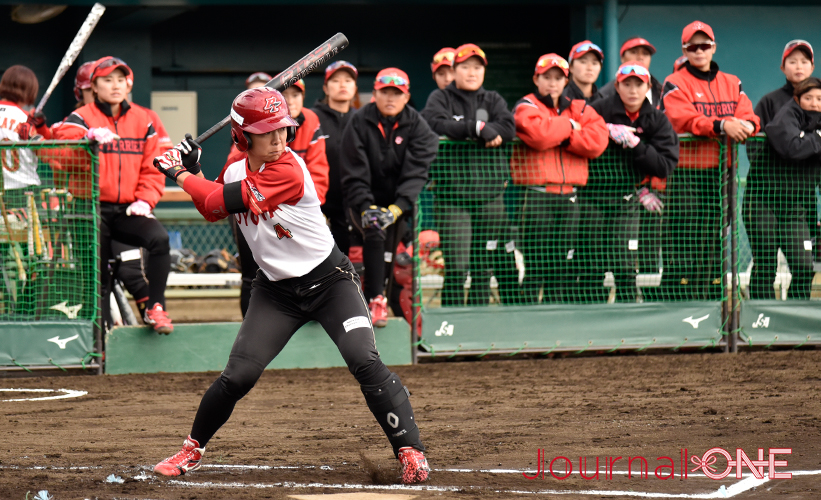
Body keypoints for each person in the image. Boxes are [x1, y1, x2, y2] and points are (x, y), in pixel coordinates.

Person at [151, 86, 430, 484]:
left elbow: (214, 203)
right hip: (276, 292)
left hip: (330, 282)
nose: (280, 139)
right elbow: (211, 201)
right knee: (237, 377)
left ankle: (410, 451)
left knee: (363, 359)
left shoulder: (289, 170)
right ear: (243, 136)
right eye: (268, 132)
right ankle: (190, 449)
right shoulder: (234, 171)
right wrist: (194, 172)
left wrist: (178, 172)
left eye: (283, 129)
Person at [53, 56, 173, 333]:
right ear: (94, 86)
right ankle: (100, 339)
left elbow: (154, 167)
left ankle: (156, 308)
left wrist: (145, 199)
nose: (116, 86)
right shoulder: (81, 118)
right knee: (99, 277)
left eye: (121, 80)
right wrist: (86, 142)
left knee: (159, 239)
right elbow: (56, 155)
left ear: (129, 83)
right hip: (90, 207)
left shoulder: (144, 119)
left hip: (128, 209)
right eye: (107, 80)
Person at [659, 20, 760, 301]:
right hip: (686, 172)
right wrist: (722, 125)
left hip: (720, 173)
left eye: (704, 45)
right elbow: (682, 118)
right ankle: (678, 304)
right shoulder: (674, 82)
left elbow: (749, 113)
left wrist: (749, 126)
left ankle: (710, 303)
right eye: (693, 46)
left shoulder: (732, 81)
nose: (699, 50)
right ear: (685, 49)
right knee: (683, 238)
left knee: (714, 238)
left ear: (713, 48)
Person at [223, 77, 330, 317]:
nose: (291, 100)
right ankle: (250, 326)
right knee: (253, 272)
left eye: (296, 95)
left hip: (291, 210)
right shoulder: (248, 128)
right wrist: (188, 174)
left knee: (302, 269)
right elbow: (234, 170)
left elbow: (318, 172)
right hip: (250, 203)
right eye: (287, 95)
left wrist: (310, 208)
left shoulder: (310, 121)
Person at [421, 43, 519, 306]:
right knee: (456, 267)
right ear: (454, 70)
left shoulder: (493, 99)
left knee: (483, 266)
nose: (472, 72)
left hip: (490, 196)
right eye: (465, 67)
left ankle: (479, 325)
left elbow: (509, 126)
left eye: (477, 67)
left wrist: (490, 129)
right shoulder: (440, 98)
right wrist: (475, 128)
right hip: (453, 197)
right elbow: (432, 122)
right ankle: (453, 327)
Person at [340, 68, 438, 326]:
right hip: (362, 199)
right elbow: (353, 170)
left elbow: (416, 173)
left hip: (398, 203)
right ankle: (375, 301)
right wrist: (366, 205)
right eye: (385, 92)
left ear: (406, 97)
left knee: (390, 255)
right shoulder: (359, 121)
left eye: (397, 93)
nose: (391, 98)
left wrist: (397, 208)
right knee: (374, 231)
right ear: (374, 94)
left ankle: (402, 318)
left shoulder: (419, 126)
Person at [510, 53, 608, 303]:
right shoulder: (526, 105)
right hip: (537, 196)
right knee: (535, 263)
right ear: (536, 79)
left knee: (563, 263)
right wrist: (570, 127)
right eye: (547, 77)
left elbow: (597, 143)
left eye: (558, 78)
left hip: (570, 196)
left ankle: (558, 322)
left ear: (566, 81)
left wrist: (560, 133)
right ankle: (529, 319)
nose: (552, 83)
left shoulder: (580, 106)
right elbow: (539, 135)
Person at [583, 63, 678, 302]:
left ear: (647, 87)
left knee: (624, 263)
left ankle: (628, 318)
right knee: (591, 263)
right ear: (617, 86)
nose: (633, 90)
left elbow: (665, 165)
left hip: (628, 197)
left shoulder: (656, 119)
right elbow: (577, 131)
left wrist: (637, 146)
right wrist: (602, 130)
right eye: (627, 84)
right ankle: (589, 318)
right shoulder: (598, 109)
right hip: (591, 196)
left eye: (639, 84)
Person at [744, 77, 821, 300]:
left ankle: (795, 315)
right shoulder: (785, 116)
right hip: (762, 202)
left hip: (796, 208)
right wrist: (817, 138)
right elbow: (791, 147)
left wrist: (810, 139)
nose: (815, 103)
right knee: (766, 264)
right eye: (808, 98)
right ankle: (761, 317)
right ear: (797, 99)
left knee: (805, 266)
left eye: (819, 99)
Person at [313, 61, 359, 255]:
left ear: (355, 87)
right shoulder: (312, 117)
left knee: (345, 263)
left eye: (348, 80)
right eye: (336, 80)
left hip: (350, 205)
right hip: (316, 203)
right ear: (325, 87)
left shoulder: (362, 119)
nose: (342, 85)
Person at [0, 65, 48, 199]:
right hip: (24, 190)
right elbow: (46, 155)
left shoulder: (28, 119)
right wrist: (42, 130)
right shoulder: (27, 120)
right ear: (30, 91)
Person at [755, 40, 814, 127]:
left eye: (804, 62)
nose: (799, 67)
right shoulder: (769, 101)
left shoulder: (818, 99)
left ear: (812, 68)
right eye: (792, 62)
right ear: (783, 68)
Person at [597, 37, 663, 107]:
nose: (640, 57)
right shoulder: (605, 93)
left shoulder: (661, 90)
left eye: (645, 53)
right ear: (622, 58)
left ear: (649, 87)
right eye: (634, 52)